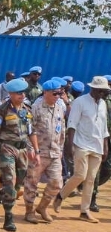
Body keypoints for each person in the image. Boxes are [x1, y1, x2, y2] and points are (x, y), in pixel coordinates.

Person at [53, 76, 111, 223]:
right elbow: (72, 124)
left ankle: (84, 211)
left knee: (91, 179)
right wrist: (69, 146)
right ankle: (60, 196)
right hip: (81, 144)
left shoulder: (103, 104)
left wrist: (105, 147)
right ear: (93, 89)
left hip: (97, 145)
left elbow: (104, 128)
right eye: (100, 91)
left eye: (104, 92)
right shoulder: (80, 102)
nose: (103, 94)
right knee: (80, 175)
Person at [0, 77, 40, 232]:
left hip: (22, 150)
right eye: (18, 93)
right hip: (6, 149)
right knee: (9, 183)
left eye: (23, 92)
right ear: (10, 94)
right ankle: (9, 218)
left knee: (16, 186)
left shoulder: (27, 111)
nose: (21, 95)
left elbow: (32, 132)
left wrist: (36, 151)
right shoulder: (2, 110)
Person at [23, 79, 67, 224]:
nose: (58, 96)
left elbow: (62, 129)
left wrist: (60, 148)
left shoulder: (59, 107)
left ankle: (42, 207)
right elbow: (28, 130)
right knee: (32, 183)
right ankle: (29, 211)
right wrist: (31, 149)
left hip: (54, 152)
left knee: (57, 183)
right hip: (38, 152)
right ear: (46, 92)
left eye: (60, 93)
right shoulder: (36, 107)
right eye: (55, 93)